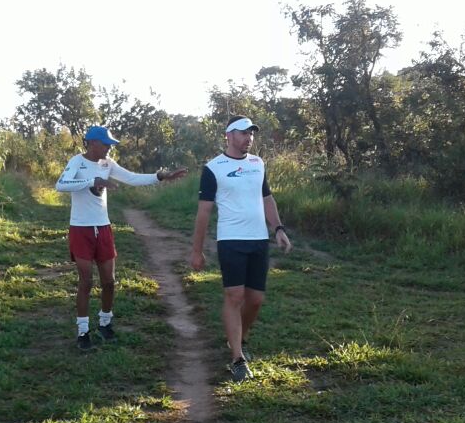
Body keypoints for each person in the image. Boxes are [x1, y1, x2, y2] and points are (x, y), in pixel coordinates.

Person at [55, 125, 188, 351]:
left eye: (110, 145)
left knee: (109, 281)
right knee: (86, 281)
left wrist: (160, 176)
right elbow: (61, 185)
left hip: (103, 228)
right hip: (80, 229)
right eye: (106, 144)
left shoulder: (107, 163)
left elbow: (132, 178)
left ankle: (105, 323)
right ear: (92, 143)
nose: (109, 148)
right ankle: (83, 331)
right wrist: (92, 182)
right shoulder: (77, 161)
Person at [190, 115, 292, 381]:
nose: (249, 138)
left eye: (252, 133)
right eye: (244, 133)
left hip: (259, 240)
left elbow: (267, 198)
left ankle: (239, 338)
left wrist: (278, 229)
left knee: (255, 300)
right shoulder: (213, 168)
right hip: (231, 240)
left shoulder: (258, 164)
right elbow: (204, 212)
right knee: (234, 296)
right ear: (229, 135)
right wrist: (197, 251)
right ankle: (237, 358)